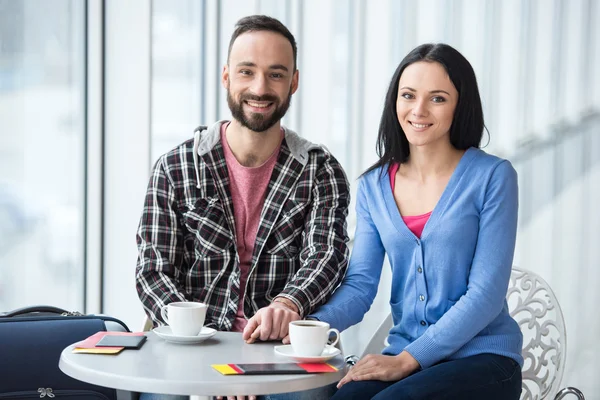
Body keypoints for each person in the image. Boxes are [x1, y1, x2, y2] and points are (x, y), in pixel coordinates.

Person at [135, 15, 348, 400]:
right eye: (247, 71)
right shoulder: (175, 167)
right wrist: (205, 347)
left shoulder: (321, 170)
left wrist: (288, 303)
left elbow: (327, 255)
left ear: (294, 82)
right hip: (192, 349)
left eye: (276, 74)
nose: (260, 88)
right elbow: (153, 272)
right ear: (226, 76)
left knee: (312, 396)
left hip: (281, 351)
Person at [309, 43, 523, 399]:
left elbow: (485, 296)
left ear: (461, 104)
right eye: (408, 95)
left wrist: (410, 359)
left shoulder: (493, 177)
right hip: (405, 355)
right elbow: (362, 284)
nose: (418, 110)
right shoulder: (374, 187)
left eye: (437, 98)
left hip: (483, 358)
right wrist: (310, 325)